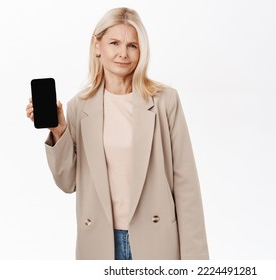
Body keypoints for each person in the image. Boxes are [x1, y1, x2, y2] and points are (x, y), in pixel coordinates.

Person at [25, 7, 209, 260]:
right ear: (97, 46)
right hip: (100, 244)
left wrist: (196, 264)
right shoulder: (79, 106)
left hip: (156, 242)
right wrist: (59, 130)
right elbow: (68, 183)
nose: (123, 53)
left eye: (132, 45)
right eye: (114, 43)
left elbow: (186, 184)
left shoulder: (165, 101)